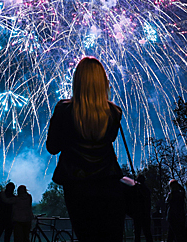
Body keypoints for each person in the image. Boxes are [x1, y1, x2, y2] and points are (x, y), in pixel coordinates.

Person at [46, 57, 126, 242]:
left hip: (77, 187)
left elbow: (52, 147)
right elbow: (109, 139)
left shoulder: (64, 110)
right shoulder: (114, 113)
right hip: (109, 184)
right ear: (103, 82)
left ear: (77, 81)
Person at [134, 175, 153, 242]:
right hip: (145, 214)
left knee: (138, 232)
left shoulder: (138, 189)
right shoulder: (146, 190)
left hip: (139, 214)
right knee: (147, 232)